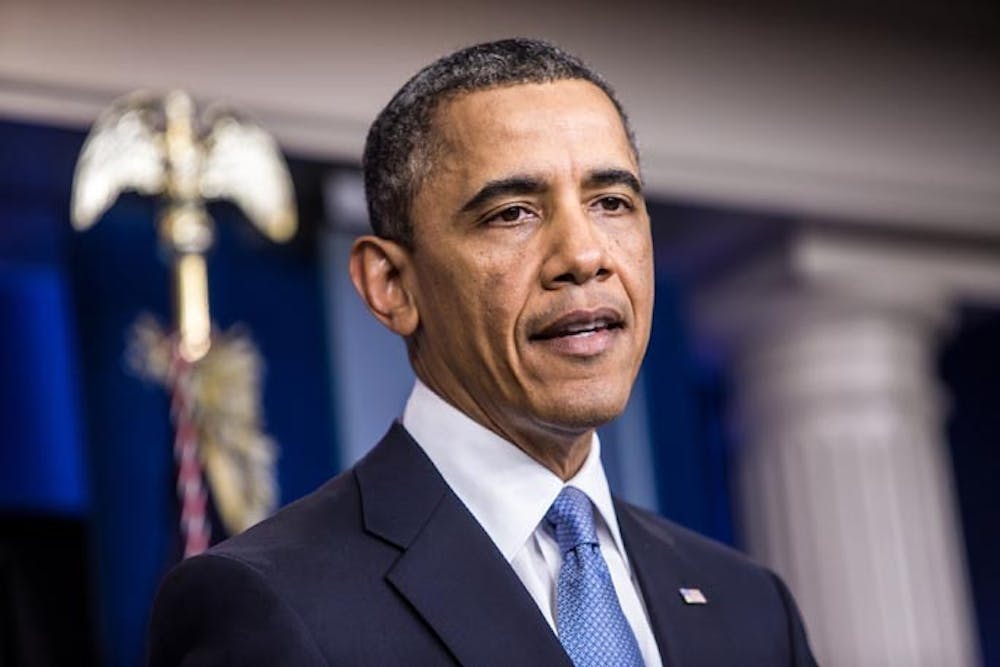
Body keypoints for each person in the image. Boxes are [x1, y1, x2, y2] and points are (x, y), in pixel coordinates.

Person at [148, 38, 817, 666]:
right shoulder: (269, 601)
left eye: (612, 202)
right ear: (392, 286)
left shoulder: (750, 605)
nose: (584, 255)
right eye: (512, 213)